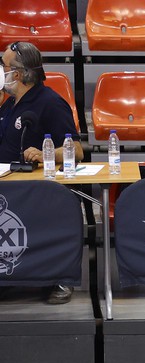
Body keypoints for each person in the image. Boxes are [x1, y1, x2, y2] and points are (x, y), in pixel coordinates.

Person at [1, 41, 83, 306]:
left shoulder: (49, 102)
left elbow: (77, 150)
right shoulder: (8, 104)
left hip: (37, 189)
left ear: (19, 73)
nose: (1, 71)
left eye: (4, 66)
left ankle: (62, 277)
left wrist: (46, 152)